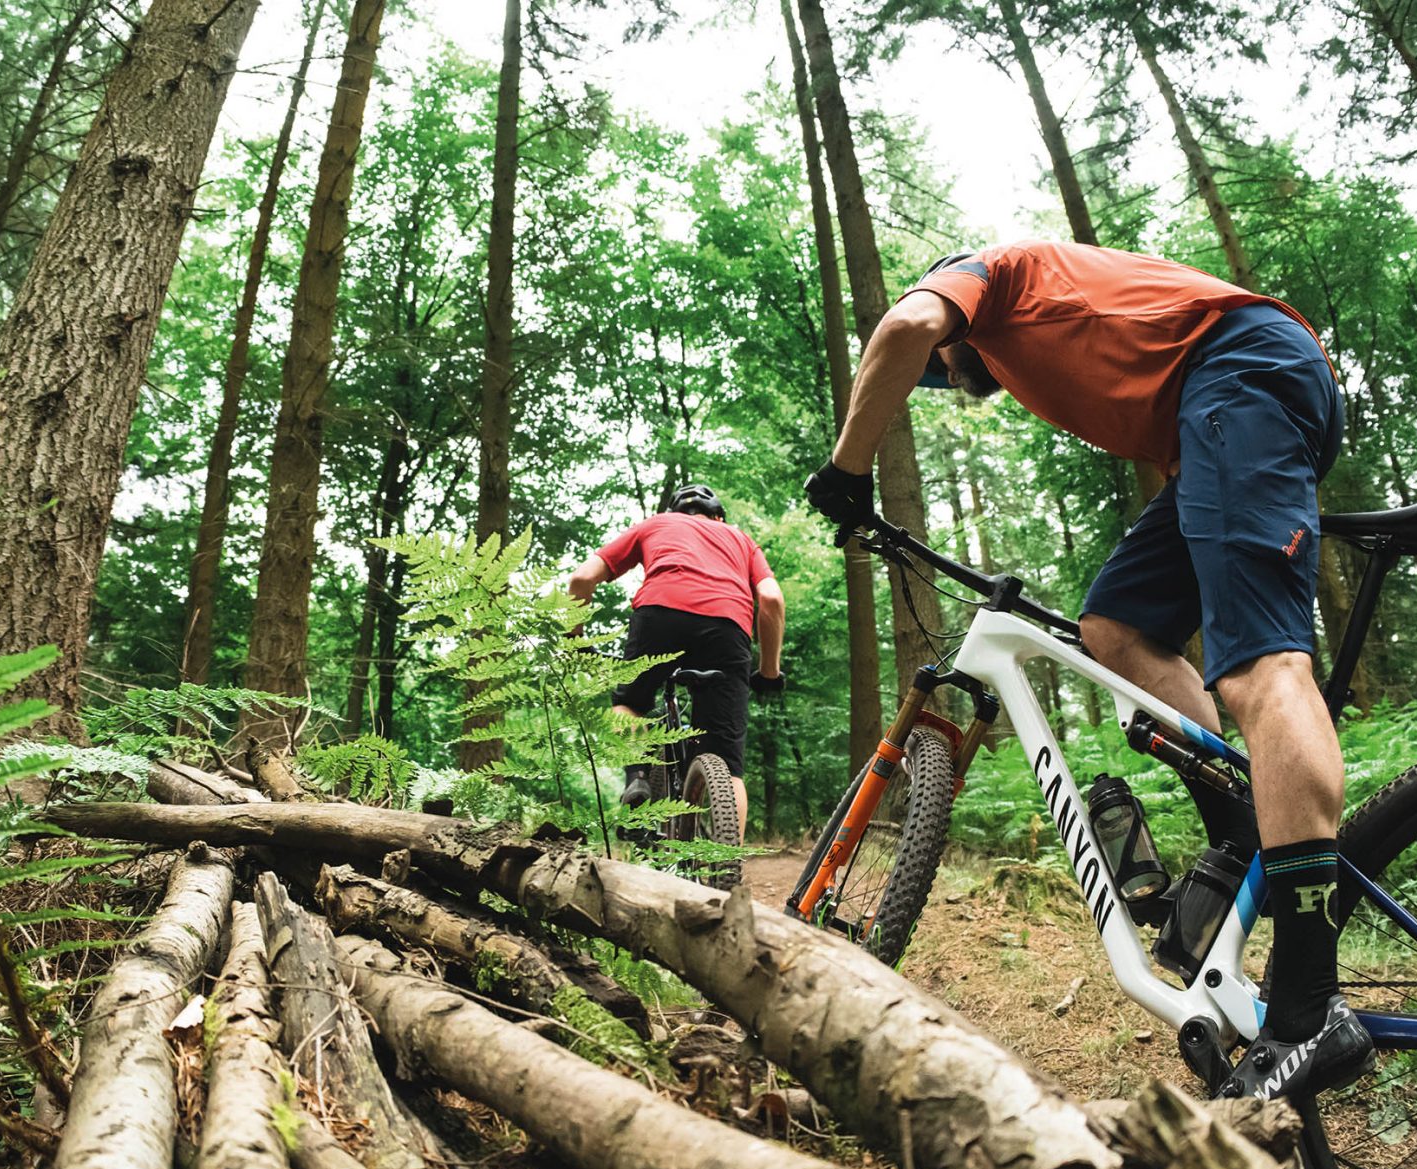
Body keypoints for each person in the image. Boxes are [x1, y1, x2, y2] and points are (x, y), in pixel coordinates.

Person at [803, 239, 1367, 1105]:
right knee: (1117, 628)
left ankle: (1309, 1003)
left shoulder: (988, 276)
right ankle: (1242, 837)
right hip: (1214, 415)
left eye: (944, 371)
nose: (947, 379)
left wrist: (848, 470)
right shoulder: (1036, 329)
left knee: (1257, 669)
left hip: (1241, 376)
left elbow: (908, 324)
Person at [569, 484, 786, 831]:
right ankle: (728, 871)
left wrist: (575, 638)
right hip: (728, 627)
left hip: (660, 613)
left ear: (674, 513)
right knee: (729, 766)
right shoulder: (739, 538)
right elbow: (771, 599)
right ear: (718, 517)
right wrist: (769, 671)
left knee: (630, 704)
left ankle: (638, 775)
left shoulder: (655, 524)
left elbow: (581, 578)